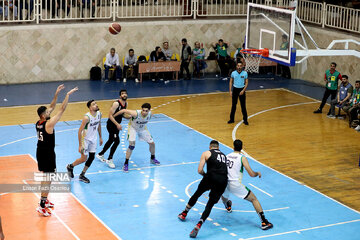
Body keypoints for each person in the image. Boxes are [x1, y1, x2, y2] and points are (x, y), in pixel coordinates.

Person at [35, 85, 78, 216]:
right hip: (47, 154)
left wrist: (56, 93)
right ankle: (42, 205)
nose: (50, 112)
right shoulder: (49, 124)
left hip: (40, 151)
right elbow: (61, 109)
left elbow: (52, 106)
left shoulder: (39, 122)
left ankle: (44, 199)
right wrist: (67, 95)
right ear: (44, 115)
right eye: (47, 113)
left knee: (46, 176)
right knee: (48, 178)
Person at [178, 140, 228, 238]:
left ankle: (184, 213)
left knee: (197, 194)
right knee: (210, 204)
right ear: (218, 147)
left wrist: (206, 176)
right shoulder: (224, 156)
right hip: (223, 180)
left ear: (210, 147)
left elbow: (200, 170)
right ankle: (199, 223)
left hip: (210, 177)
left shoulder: (206, 153)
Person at [220, 139, 273, 230]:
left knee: (224, 193)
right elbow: (251, 174)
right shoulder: (242, 158)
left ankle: (227, 205)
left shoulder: (227, 156)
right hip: (235, 184)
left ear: (233, 147)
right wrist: (257, 173)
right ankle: (264, 222)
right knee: (254, 199)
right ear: (241, 148)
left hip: (224, 182)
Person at [113, 103, 160, 172]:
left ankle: (152, 158)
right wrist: (113, 116)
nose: (144, 112)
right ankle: (126, 163)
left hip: (142, 129)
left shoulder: (150, 114)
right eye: (143, 110)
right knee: (132, 145)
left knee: (152, 143)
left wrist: (129, 117)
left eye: (146, 111)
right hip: (133, 128)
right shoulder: (136, 113)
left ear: (149, 111)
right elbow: (123, 110)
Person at [67, 100, 103, 183]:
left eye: (96, 103)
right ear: (90, 108)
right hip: (85, 140)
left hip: (94, 139)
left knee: (92, 157)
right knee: (83, 159)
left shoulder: (99, 114)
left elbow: (99, 125)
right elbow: (79, 131)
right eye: (94, 104)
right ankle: (70, 166)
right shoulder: (87, 117)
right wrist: (80, 145)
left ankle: (82, 175)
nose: (96, 105)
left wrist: (100, 137)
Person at [97, 90, 128, 168]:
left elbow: (122, 114)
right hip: (111, 124)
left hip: (116, 125)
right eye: (122, 94)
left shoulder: (126, 104)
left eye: (125, 93)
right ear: (120, 96)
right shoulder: (116, 103)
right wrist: (117, 124)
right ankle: (110, 159)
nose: (124, 95)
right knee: (117, 141)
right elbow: (110, 115)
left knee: (111, 140)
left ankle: (100, 154)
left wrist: (130, 117)